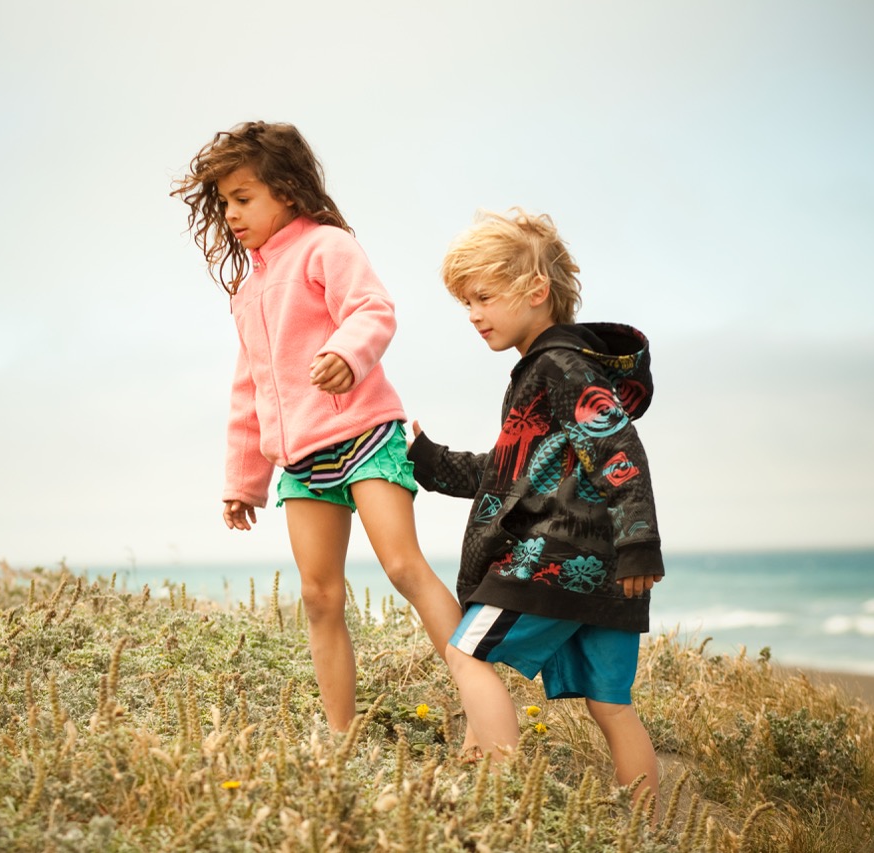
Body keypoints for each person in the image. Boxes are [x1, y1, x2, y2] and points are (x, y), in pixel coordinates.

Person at [170, 121, 464, 734]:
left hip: (365, 436)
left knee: (404, 568)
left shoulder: (326, 246)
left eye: (242, 199)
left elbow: (371, 310)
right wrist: (244, 482)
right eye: (224, 203)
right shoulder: (247, 293)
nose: (230, 214)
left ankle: (484, 706)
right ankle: (340, 737)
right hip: (303, 461)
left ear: (287, 190)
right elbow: (249, 389)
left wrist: (346, 354)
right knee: (318, 596)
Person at [408, 208, 664, 805]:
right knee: (612, 705)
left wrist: (641, 539)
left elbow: (617, 446)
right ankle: (651, 830)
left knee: (465, 652)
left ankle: (497, 795)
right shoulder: (557, 369)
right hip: (606, 571)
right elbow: (509, 474)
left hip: (554, 557)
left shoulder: (558, 367)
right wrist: (426, 457)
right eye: (465, 303)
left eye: (484, 298)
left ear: (536, 291)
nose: (473, 315)